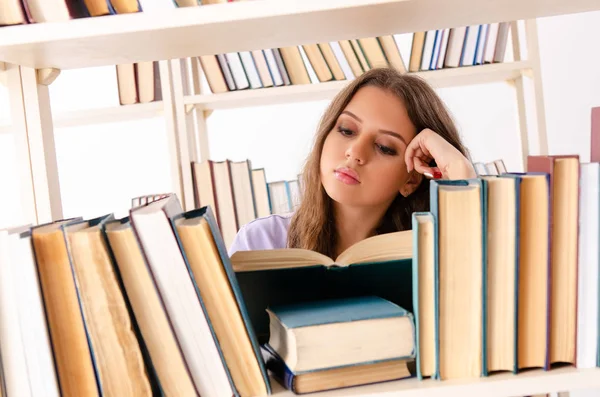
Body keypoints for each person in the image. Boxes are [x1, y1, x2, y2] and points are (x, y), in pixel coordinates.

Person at [228, 67, 476, 258]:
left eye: (384, 148)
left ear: (411, 179)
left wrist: (462, 175)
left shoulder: (432, 252)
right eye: (346, 130)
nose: (355, 152)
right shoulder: (260, 243)